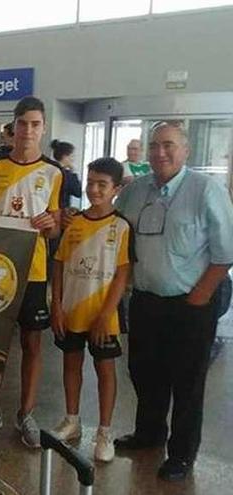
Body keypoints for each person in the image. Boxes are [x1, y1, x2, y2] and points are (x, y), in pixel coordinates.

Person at [113, 122, 233, 481]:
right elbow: (111, 228)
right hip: (147, 302)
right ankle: (149, 434)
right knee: (144, 372)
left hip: (191, 304)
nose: (159, 152)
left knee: (187, 381)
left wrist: (200, 296)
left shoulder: (206, 190)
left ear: (185, 151)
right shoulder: (135, 191)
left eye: (168, 145)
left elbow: (225, 251)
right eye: (154, 146)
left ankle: (182, 454)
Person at [0, 96, 62, 445]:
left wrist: (48, 225)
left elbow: (55, 230)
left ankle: (26, 414)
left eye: (35, 124)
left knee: (32, 342)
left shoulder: (54, 174)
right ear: (13, 128)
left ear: (43, 128)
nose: (28, 130)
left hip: (34, 270)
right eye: (22, 123)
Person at [50, 158, 132, 463]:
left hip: (104, 316)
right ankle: (72, 420)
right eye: (91, 182)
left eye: (102, 184)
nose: (94, 189)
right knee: (71, 364)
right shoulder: (74, 223)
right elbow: (58, 265)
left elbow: (123, 274)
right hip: (71, 311)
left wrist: (104, 314)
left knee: (105, 371)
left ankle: (104, 431)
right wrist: (56, 304)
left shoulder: (121, 226)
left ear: (115, 189)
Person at [50, 139, 83, 209]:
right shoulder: (67, 175)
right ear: (65, 156)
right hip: (61, 211)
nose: (73, 159)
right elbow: (78, 192)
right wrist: (74, 172)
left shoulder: (48, 169)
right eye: (72, 156)